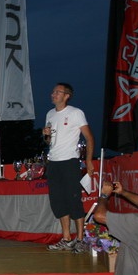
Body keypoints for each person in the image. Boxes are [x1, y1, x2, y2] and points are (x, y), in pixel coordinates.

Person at [43, 82, 95, 252]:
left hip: (70, 162)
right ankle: (66, 238)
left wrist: (88, 161)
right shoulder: (50, 114)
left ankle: (80, 239)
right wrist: (46, 136)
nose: (53, 94)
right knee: (58, 201)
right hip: (53, 162)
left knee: (73, 200)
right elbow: (49, 142)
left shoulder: (75, 113)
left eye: (57, 92)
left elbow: (89, 138)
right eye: (53, 91)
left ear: (67, 96)